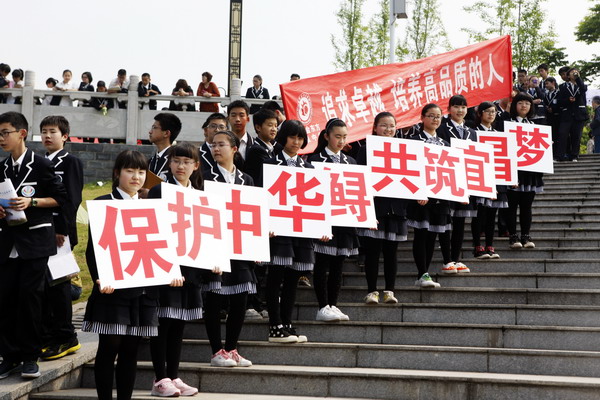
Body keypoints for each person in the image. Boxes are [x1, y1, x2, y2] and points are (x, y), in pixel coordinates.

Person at [81, 150, 159, 400]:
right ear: (117, 173)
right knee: (109, 346)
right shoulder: (104, 202)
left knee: (131, 349)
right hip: (112, 286)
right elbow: (93, 248)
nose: (136, 177)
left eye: (140, 172)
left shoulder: (150, 207)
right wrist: (98, 277)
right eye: (130, 171)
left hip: (141, 286)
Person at [0, 111, 67, 380]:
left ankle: (30, 356)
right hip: (7, 242)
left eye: (6, 132)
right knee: (5, 299)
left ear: (22, 133)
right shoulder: (2, 167)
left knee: (30, 299)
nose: (2, 138)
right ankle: (9, 356)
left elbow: (61, 198)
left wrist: (33, 202)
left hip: (35, 242)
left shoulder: (40, 165)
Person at [147, 142, 204, 397]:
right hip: (165, 269)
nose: (181, 166)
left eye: (187, 162)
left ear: (196, 165)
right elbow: (155, 231)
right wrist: (168, 266)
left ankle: (174, 374)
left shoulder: (199, 193)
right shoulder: (160, 190)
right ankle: (160, 378)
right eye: (176, 161)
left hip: (190, 268)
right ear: (169, 163)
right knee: (163, 324)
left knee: (179, 324)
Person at [203, 130, 256, 367]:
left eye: (221, 144)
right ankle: (217, 350)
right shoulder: (204, 177)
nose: (216, 149)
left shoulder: (247, 179)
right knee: (214, 299)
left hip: (240, 246)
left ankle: (232, 348)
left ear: (234, 149)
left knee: (240, 298)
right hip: (214, 246)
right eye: (213, 145)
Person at [260, 120, 315, 343]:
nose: (296, 142)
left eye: (300, 138)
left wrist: (319, 227)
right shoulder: (270, 164)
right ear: (284, 137)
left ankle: (287, 323)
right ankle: (275, 325)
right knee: (275, 278)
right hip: (278, 231)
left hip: (300, 230)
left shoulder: (309, 169)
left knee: (293, 278)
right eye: (292, 137)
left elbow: (315, 204)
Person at [38, 116, 84, 361]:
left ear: (65, 136)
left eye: (52, 131)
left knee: (59, 286)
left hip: (59, 234)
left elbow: (72, 198)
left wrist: (61, 229)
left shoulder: (71, 162)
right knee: (43, 286)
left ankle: (66, 337)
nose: (47, 136)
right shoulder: (40, 161)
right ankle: (48, 336)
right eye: (44, 131)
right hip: (39, 232)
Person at [307, 118, 358, 321]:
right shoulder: (314, 160)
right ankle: (322, 306)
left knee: (338, 264)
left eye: (344, 137)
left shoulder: (351, 162)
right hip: (324, 219)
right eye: (337, 136)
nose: (341, 141)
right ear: (326, 136)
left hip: (344, 220)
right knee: (322, 264)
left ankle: (333, 304)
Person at [356, 112, 408, 302]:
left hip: (396, 206)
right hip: (375, 207)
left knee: (391, 252)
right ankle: (372, 290)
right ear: (375, 127)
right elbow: (360, 181)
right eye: (384, 126)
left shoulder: (403, 148)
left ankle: (389, 290)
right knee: (372, 251)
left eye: (392, 126)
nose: (388, 130)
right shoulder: (365, 149)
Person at [406, 104, 450, 288]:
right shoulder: (414, 141)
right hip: (421, 196)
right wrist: (417, 191)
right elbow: (409, 170)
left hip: (440, 195)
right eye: (431, 116)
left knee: (433, 234)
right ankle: (421, 273)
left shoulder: (445, 144)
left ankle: (425, 273)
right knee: (421, 234)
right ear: (422, 118)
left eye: (438, 116)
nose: (435, 119)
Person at [436, 94, 476, 274]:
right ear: (449, 109)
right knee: (445, 219)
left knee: (460, 220)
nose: (460, 110)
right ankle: (447, 259)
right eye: (456, 107)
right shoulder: (442, 129)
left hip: (465, 180)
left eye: (463, 107)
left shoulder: (472, 132)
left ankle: (456, 258)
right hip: (447, 178)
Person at [501, 92, 544, 249]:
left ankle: (526, 236)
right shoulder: (506, 123)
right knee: (511, 205)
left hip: (530, 171)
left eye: (527, 103)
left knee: (527, 206)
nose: (524, 105)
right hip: (513, 170)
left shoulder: (534, 126)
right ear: (514, 105)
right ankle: (513, 236)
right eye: (520, 102)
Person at [471, 102, 507, 259]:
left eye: (494, 112)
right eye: (488, 111)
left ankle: (490, 245)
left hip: (496, 177)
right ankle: (478, 246)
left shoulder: (498, 133)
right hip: (479, 176)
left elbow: (505, 158)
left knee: (492, 214)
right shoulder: (473, 133)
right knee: (479, 214)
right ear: (480, 114)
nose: (491, 114)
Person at [556, 67, 588, 161]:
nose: (574, 74)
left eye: (576, 72)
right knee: (562, 135)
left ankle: (574, 155)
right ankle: (559, 156)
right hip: (567, 114)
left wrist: (577, 78)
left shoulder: (582, 85)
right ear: (568, 75)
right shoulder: (562, 87)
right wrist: (567, 100)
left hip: (579, 114)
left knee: (576, 136)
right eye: (572, 73)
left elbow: (582, 89)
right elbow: (559, 101)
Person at [244, 108, 280, 183]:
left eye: (276, 126)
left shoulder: (270, 148)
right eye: (270, 125)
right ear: (258, 127)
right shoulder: (257, 150)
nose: (274, 129)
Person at [148, 113, 182, 180]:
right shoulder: (150, 161)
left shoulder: (175, 161)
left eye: (154, 128)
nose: (150, 132)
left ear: (166, 133)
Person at [543, 77, 560, 158]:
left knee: (557, 136)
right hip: (549, 118)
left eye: (547, 83)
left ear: (553, 83)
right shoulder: (546, 94)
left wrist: (553, 109)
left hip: (557, 117)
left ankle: (557, 154)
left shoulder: (559, 92)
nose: (546, 86)